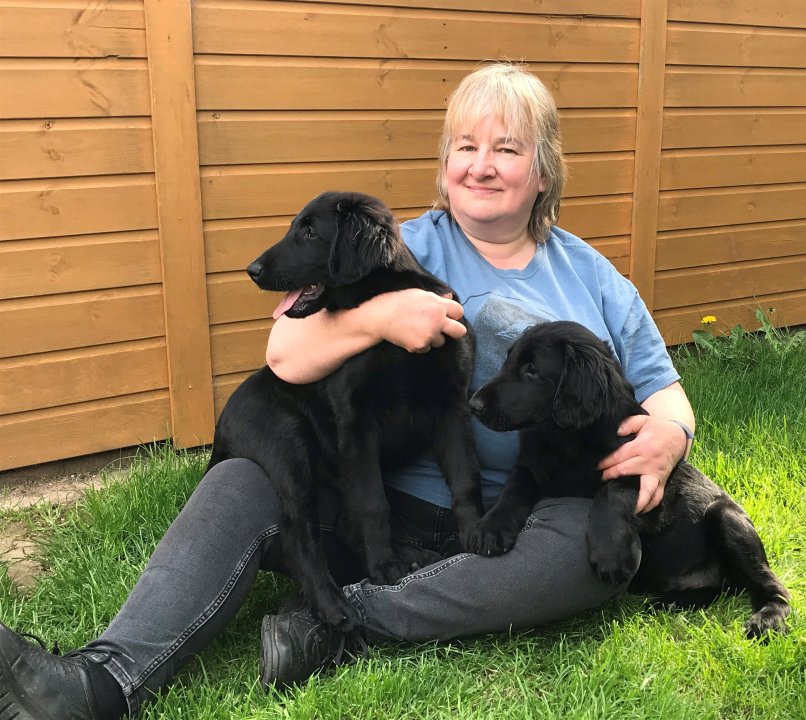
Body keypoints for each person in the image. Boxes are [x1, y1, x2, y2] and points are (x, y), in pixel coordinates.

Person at [0, 62, 694, 719]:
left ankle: (345, 621)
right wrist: (373, 317)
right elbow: (284, 355)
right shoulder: (388, 248)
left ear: (544, 171)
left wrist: (669, 438)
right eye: (465, 146)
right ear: (444, 163)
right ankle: (101, 679)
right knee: (247, 476)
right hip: (370, 506)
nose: (481, 165)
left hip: (510, 519)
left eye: (507, 149)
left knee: (587, 549)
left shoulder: (595, 279)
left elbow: (666, 396)